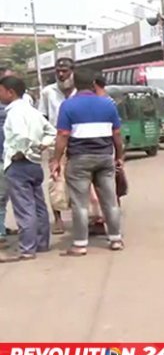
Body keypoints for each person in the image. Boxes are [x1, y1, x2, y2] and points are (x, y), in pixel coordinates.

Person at [51, 68, 125, 256]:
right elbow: (116, 134)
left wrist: (56, 160)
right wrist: (119, 156)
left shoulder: (68, 106)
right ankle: (116, 239)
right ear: (93, 84)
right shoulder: (108, 105)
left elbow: (63, 135)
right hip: (104, 158)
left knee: (80, 203)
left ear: (75, 84)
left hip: (79, 160)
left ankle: (80, 244)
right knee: (110, 201)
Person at [0, 76, 56, 263]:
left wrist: (22, 151)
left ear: (10, 92)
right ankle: (42, 243)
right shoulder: (33, 112)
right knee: (38, 205)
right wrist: (41, 146)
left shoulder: (15, 113)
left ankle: (27, 249)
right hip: (34, 164)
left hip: (19, 164)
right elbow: (51, 132)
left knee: (24, 208)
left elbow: (21, 136)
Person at [38, 57, 75, 234]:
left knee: (78, 181)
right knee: (55, 181)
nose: (61, 74)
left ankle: (83, 218)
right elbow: (42, 118)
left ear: (72, 71)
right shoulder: (47, 92)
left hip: (77, 142)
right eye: (58, 71)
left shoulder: (80, 91)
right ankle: (58, 220)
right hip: (55, 142)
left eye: (65, 70)